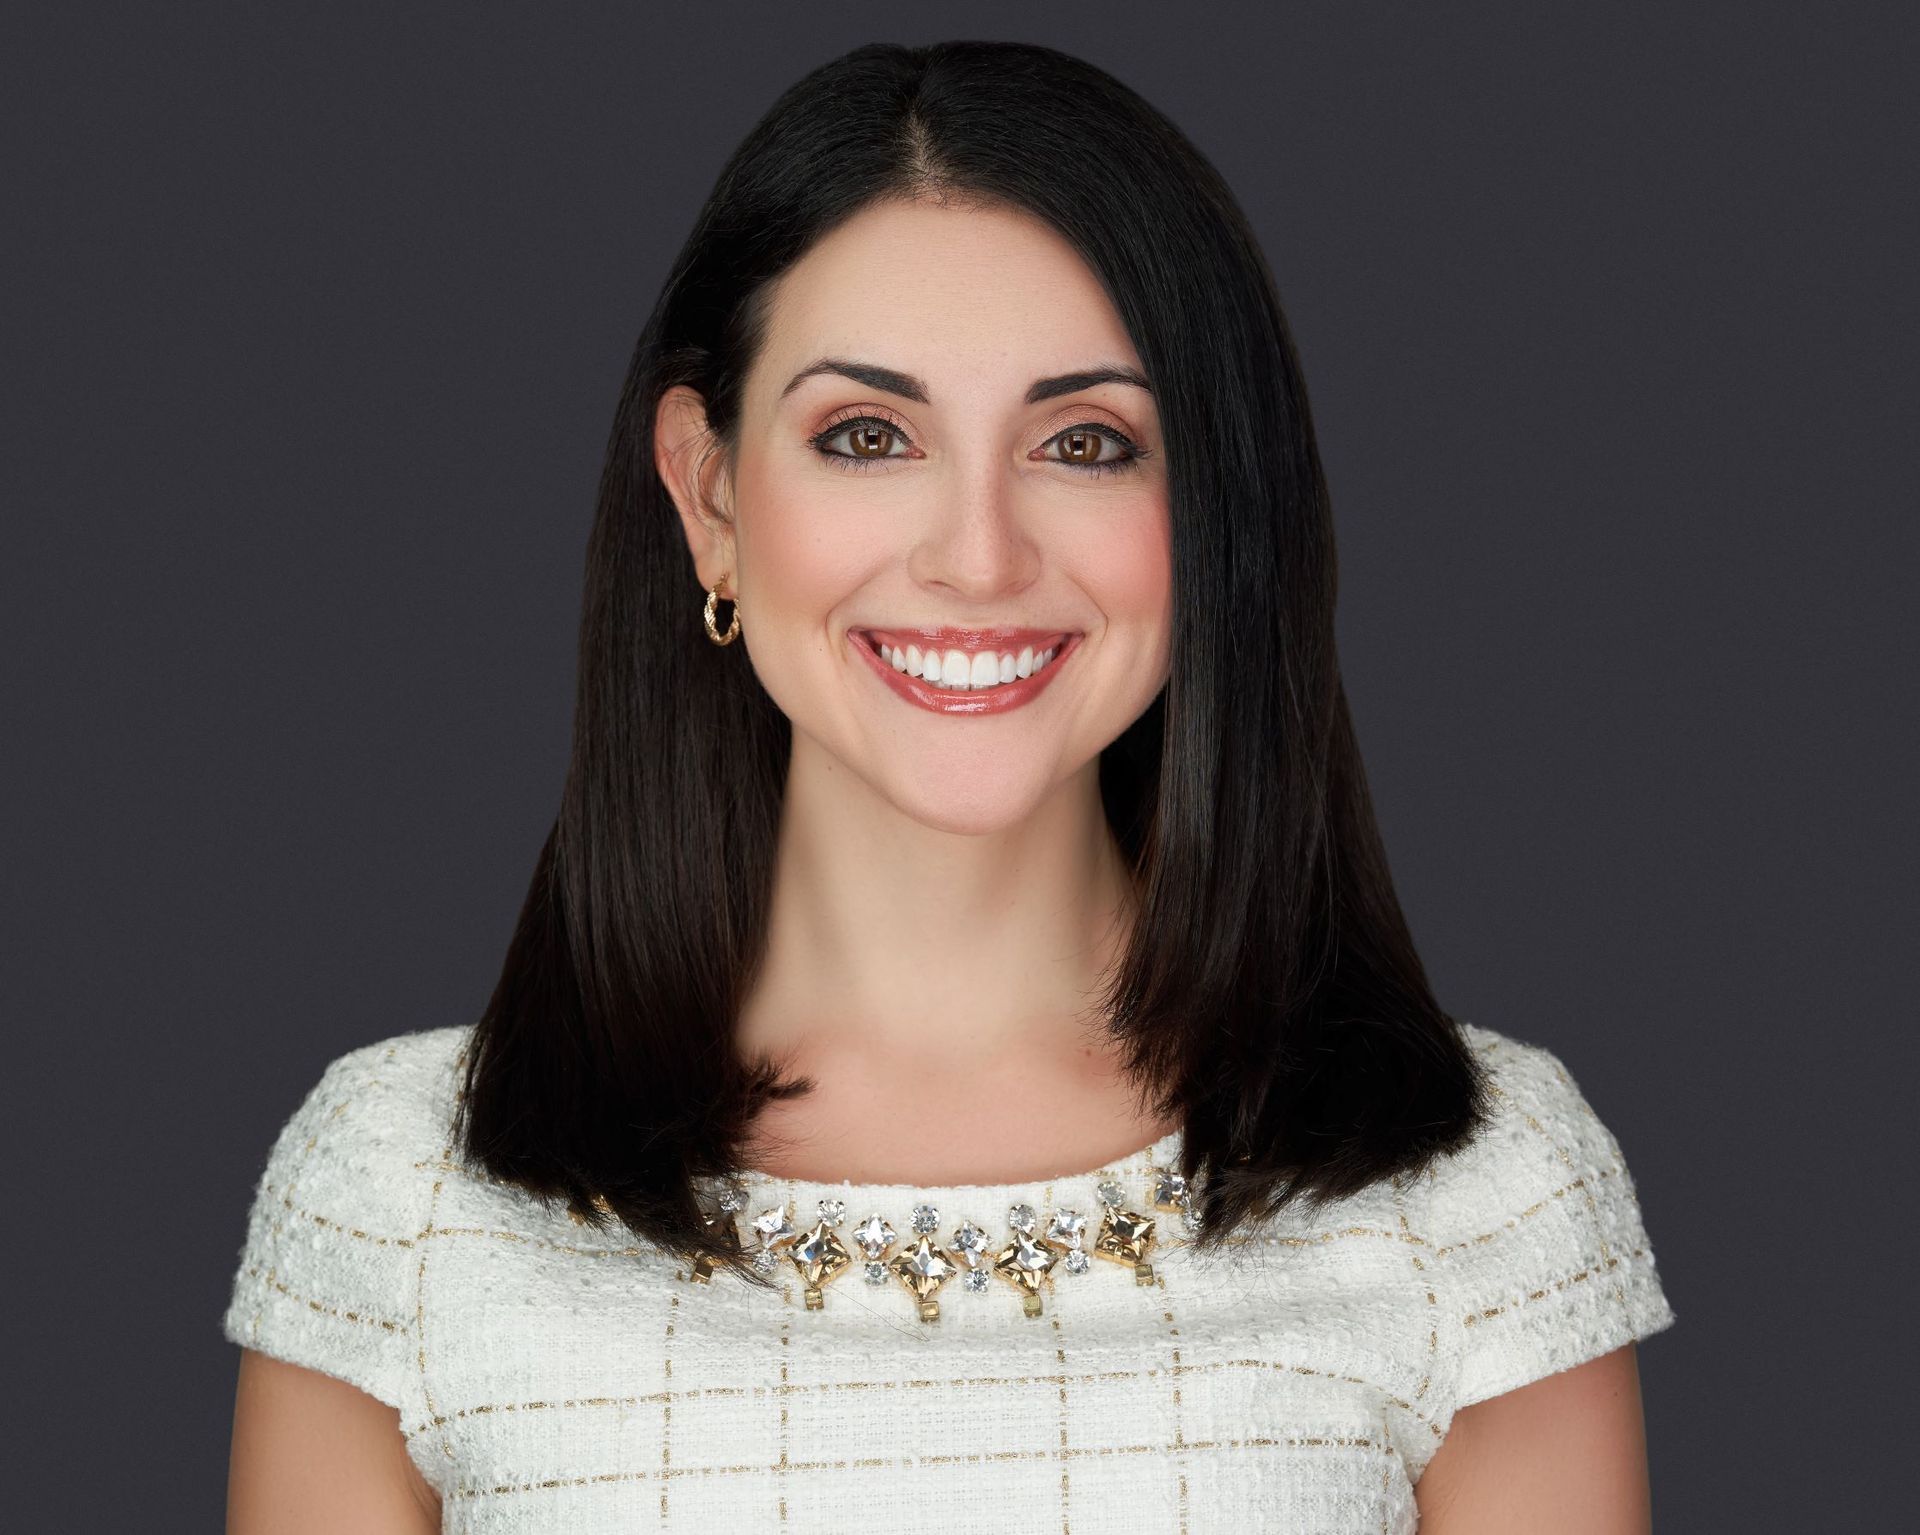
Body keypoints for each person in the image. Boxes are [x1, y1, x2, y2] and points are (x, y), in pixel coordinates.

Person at [222, 38, 1676, 1534]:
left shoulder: (1479, 1194)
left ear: (1217, 513)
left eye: (1087, 443)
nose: (977, 558)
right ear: (709, 496)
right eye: (868, 437)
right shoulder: (399, 1192)